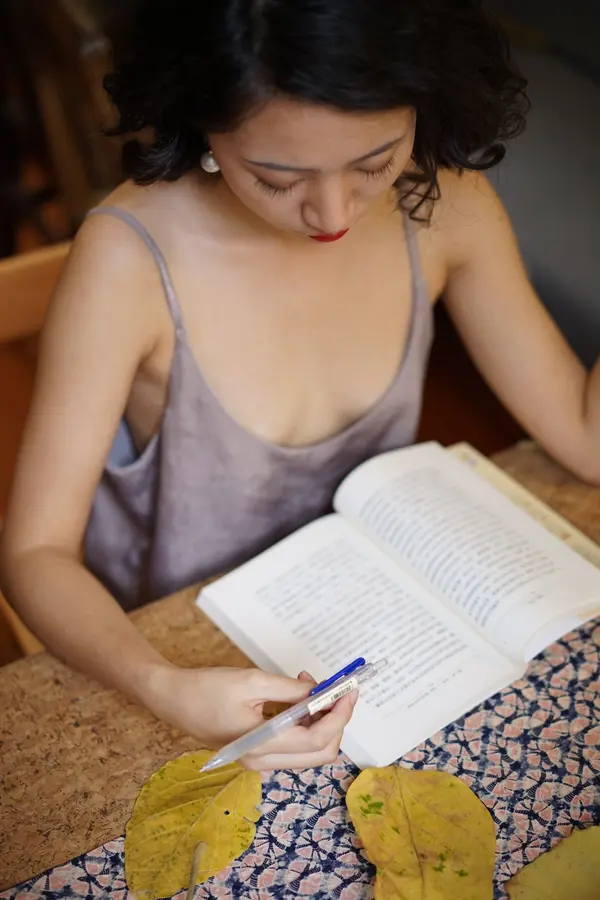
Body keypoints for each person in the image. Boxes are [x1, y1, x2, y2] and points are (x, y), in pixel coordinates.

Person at [1, 0, 598, 772]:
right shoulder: (128, 261)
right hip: (182, 646)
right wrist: (162, 684)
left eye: (374, 162)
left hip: (375, 631)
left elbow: (584, 436)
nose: (332, 212)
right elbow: (35, 551)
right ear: (203, 121)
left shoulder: (444, 204)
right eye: (276, 177)